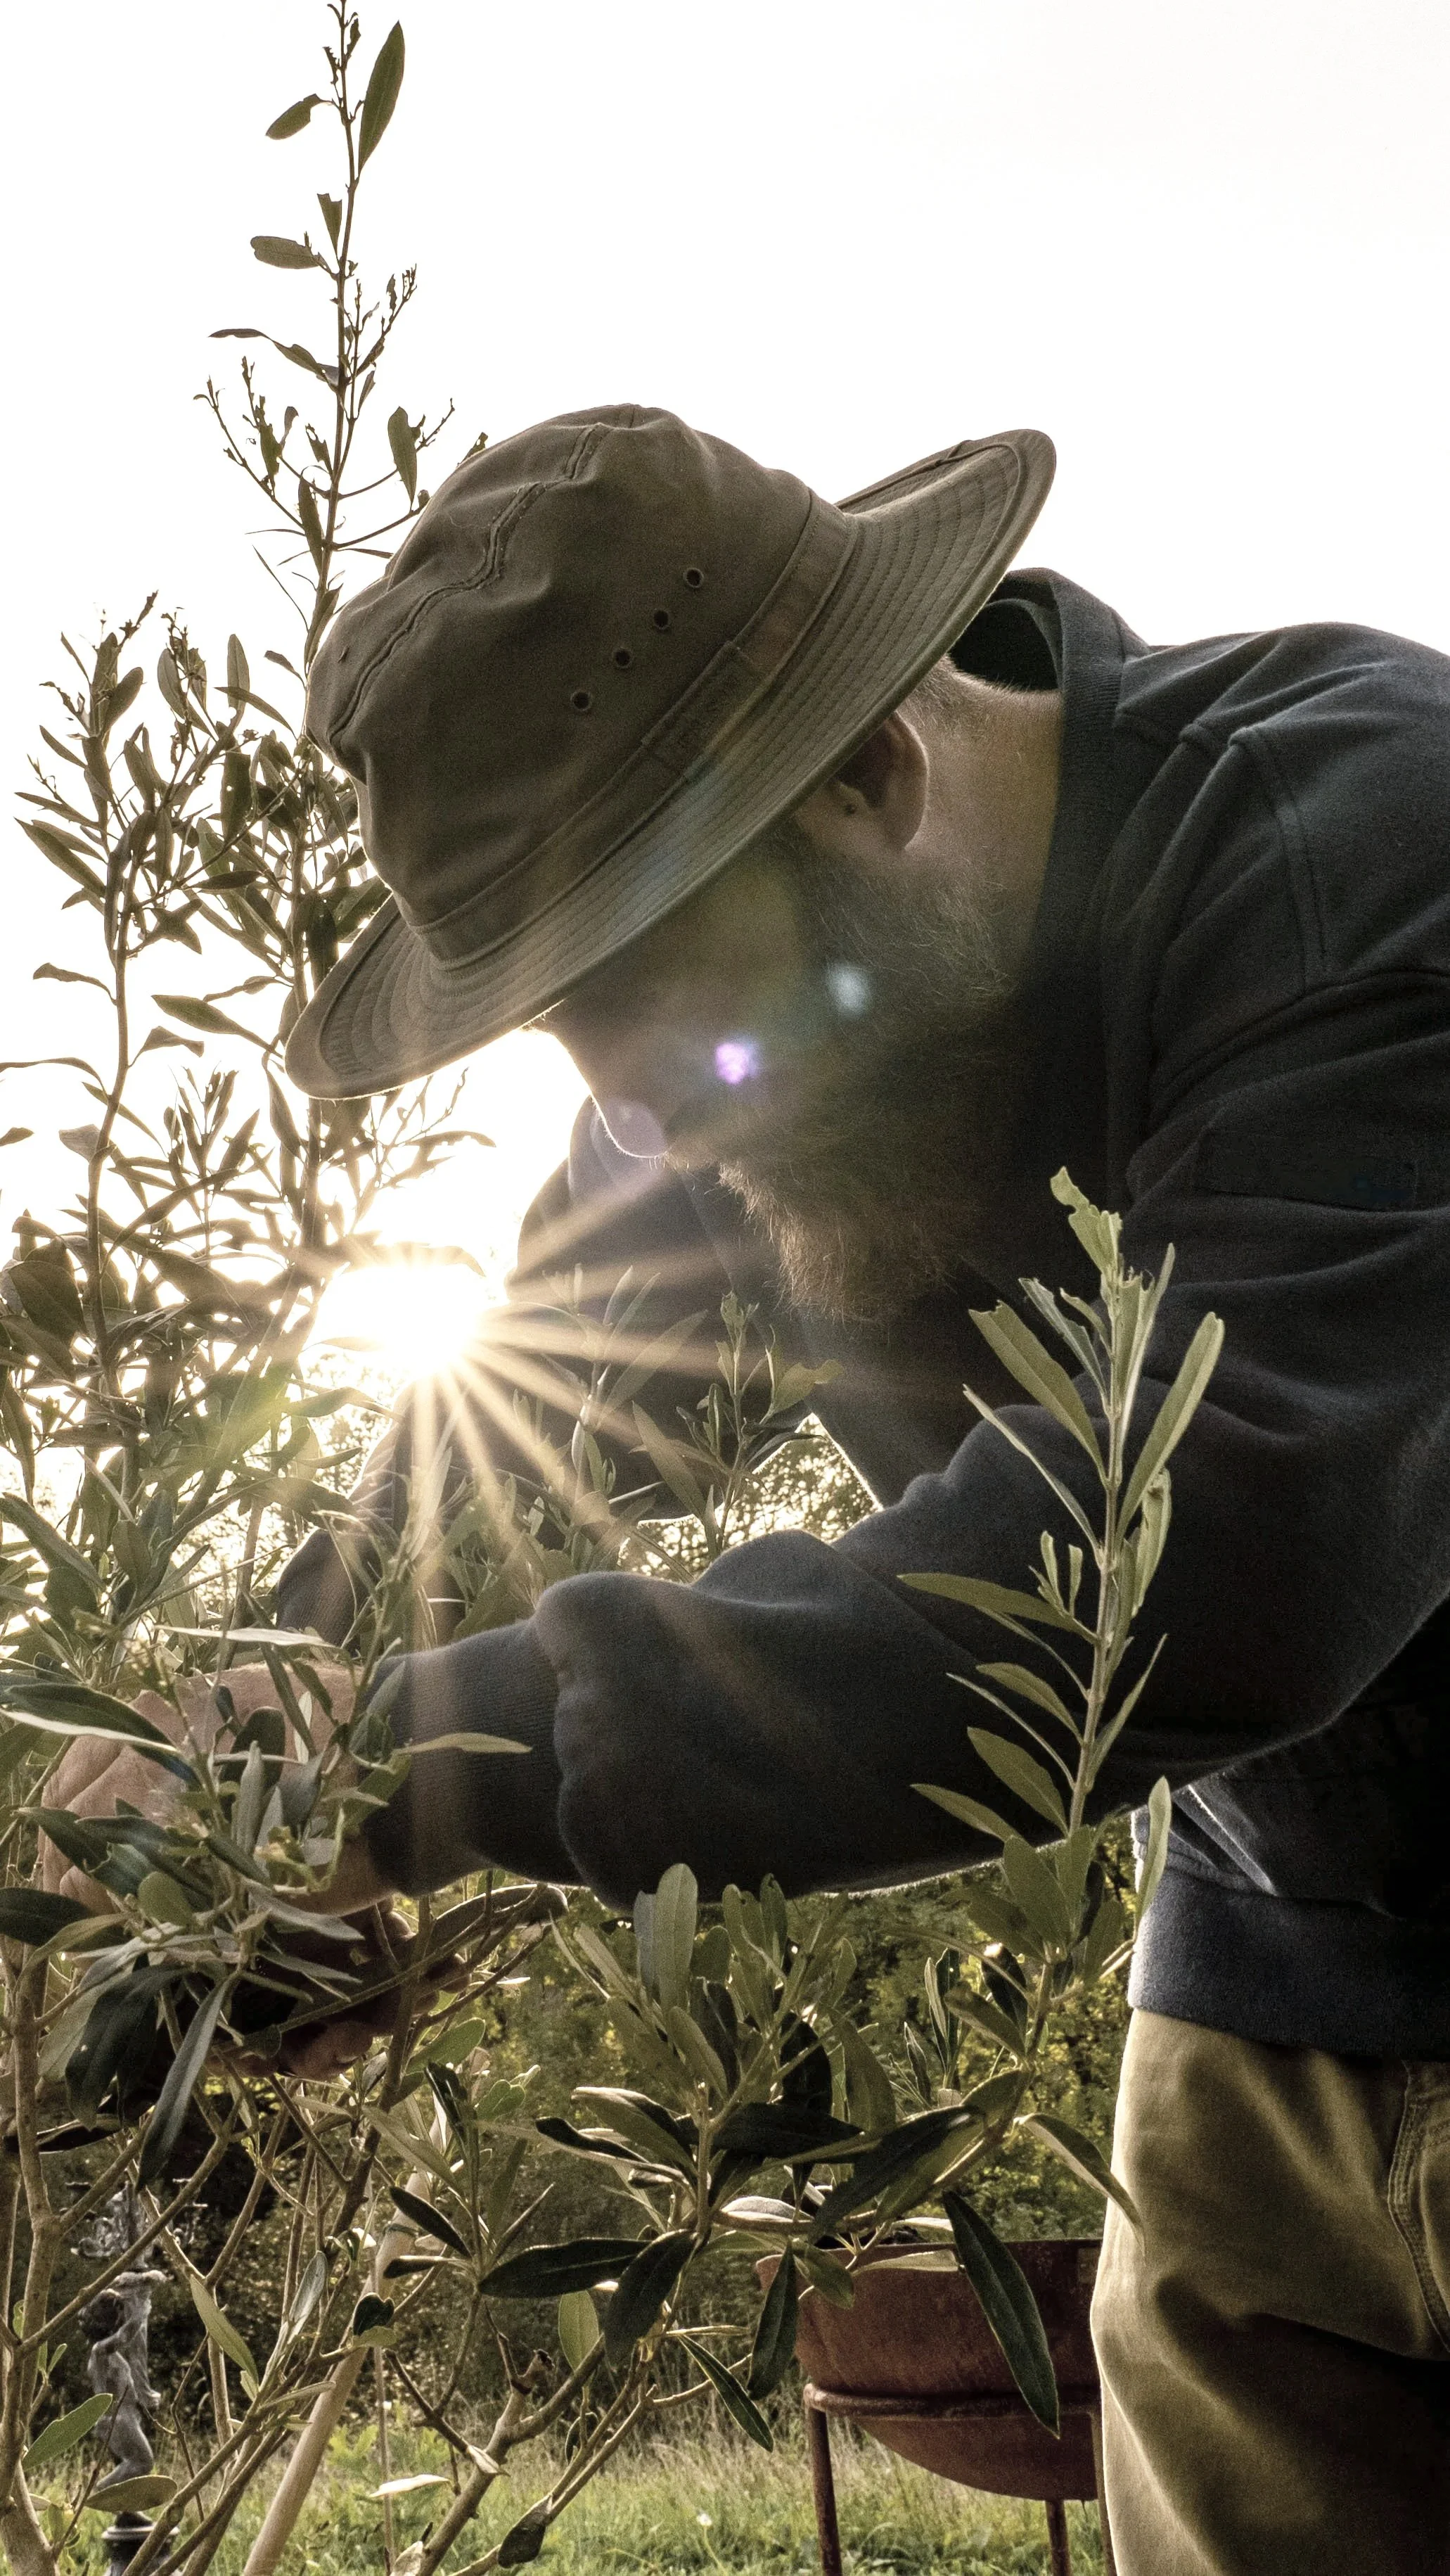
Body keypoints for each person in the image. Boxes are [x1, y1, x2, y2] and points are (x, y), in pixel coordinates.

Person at [46, 407, 1450, 2574]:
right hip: (1278, 2005)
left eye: (643, 984)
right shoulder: (726, 1072)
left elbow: (1213, 1552)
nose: (632, 1110)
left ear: (875, 776)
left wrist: (415, 1760)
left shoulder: (1362, 861)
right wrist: (244, 1820)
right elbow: (503, 1453)